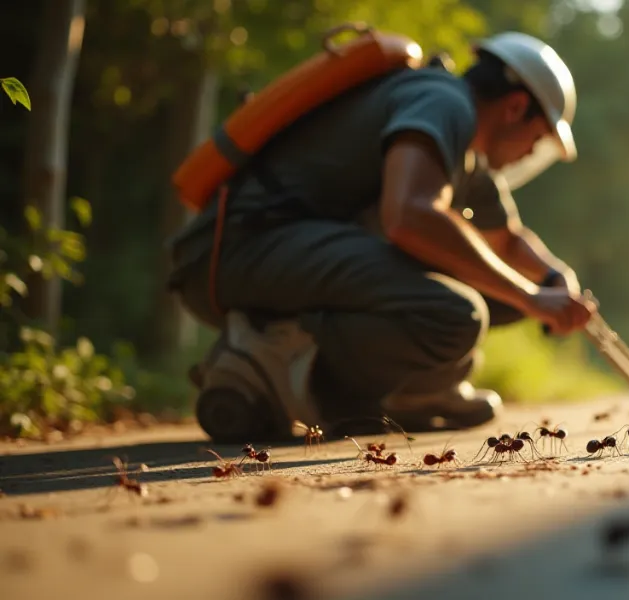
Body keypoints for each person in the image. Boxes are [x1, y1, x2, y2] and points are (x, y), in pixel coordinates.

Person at [165, 31, 596, 442]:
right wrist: (531, 296)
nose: (528, 153)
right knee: (455, 313)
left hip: (280, 254)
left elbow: (504, 240)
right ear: (516, 107)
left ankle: (414, 390)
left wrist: (552, 278)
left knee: (504, 297)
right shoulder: (443, 103)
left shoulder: (466, 150)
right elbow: (408, 216)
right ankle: (270, 361)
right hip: (239, 249)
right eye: (536, 139)